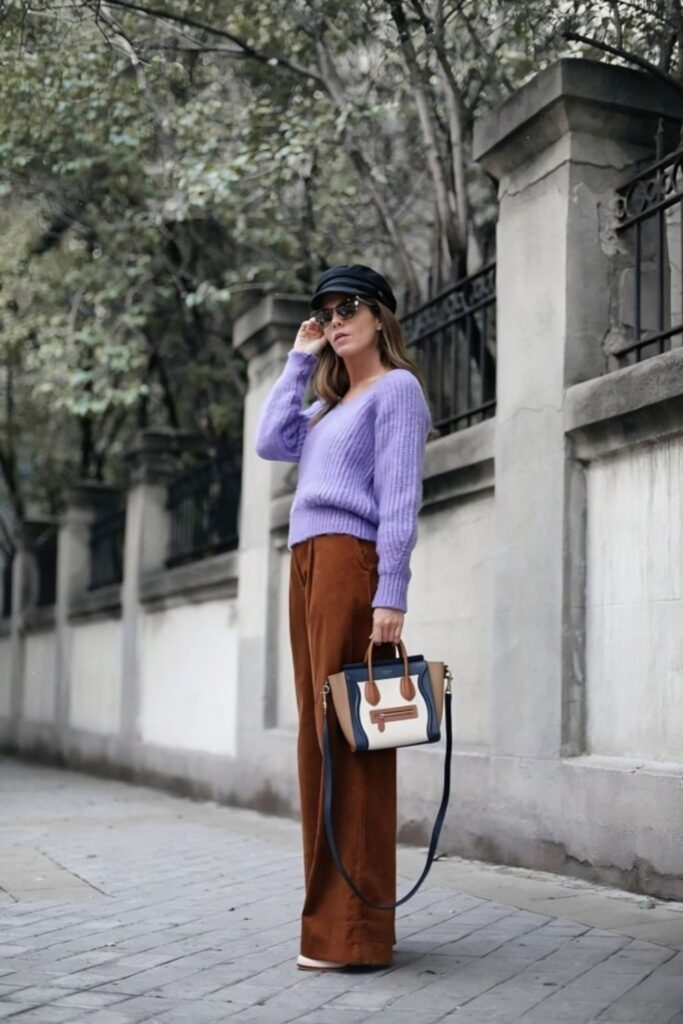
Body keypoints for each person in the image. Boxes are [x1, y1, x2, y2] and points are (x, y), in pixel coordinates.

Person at [254, 263, 433, 972]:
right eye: (324, 310)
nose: (335, 318)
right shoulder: (329, 407)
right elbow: (271, 440)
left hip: (349, 567)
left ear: (381, 314)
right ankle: (335, 924)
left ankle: (354, 933)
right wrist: (299, 358)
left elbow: (398, 499)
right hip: (306, 565)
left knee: (350, 743)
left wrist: (391, 593)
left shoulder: (397, 391)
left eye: (348, 305)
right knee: (315, 741)